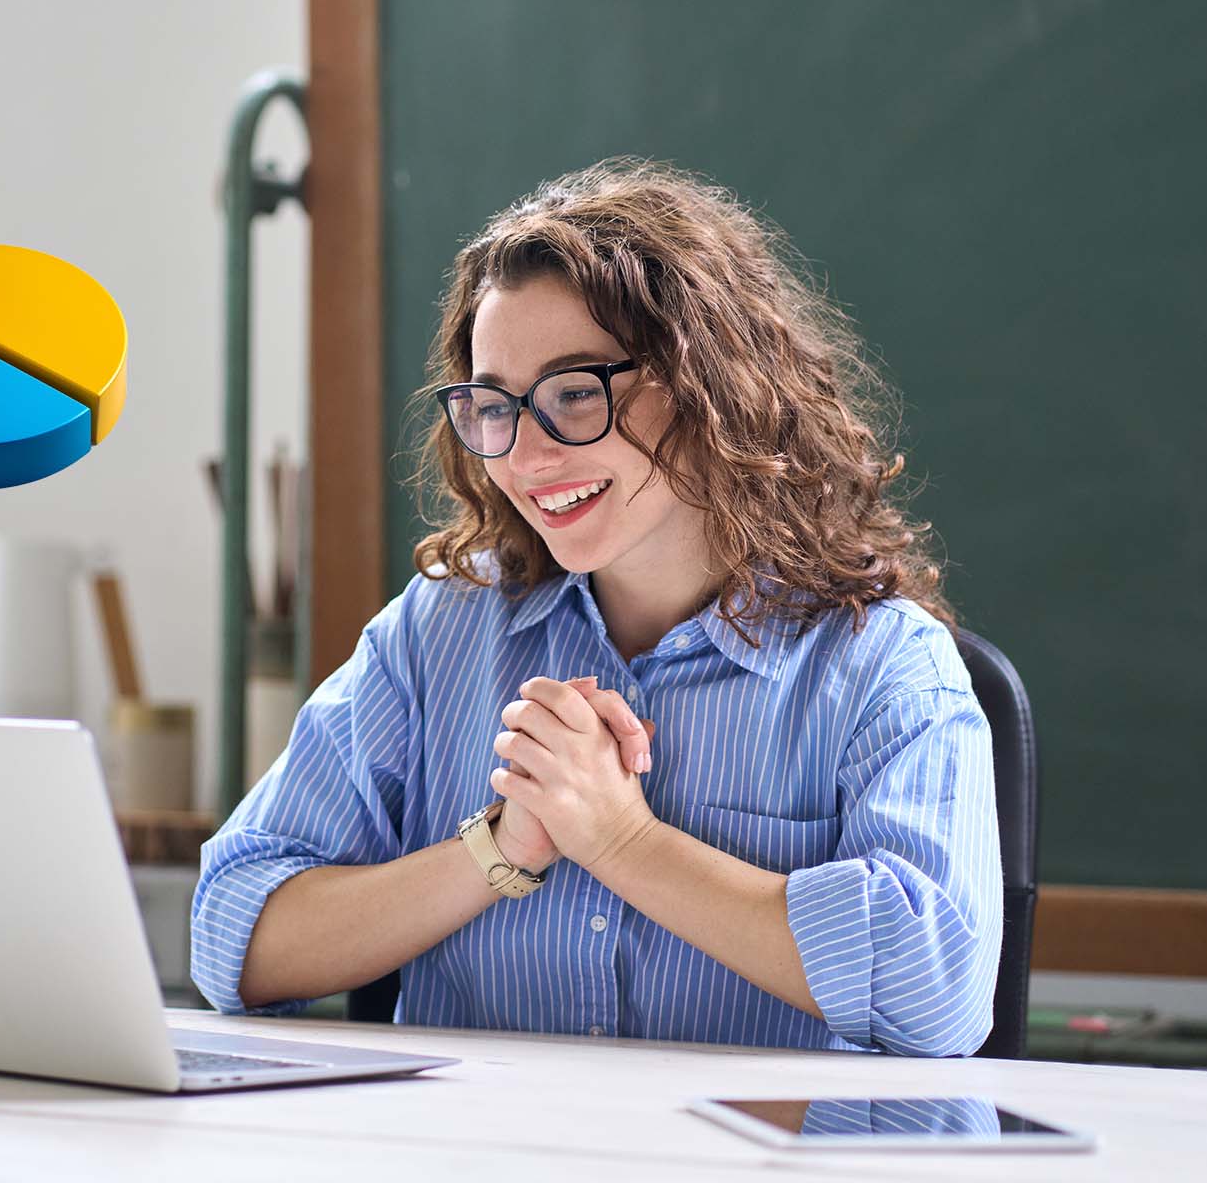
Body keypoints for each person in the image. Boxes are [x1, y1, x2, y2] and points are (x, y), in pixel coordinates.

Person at [190, 158, 1003, 1057]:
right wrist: (498, 852)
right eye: (493, 405)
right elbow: (231, 937)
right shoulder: (439, 633)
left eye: (576, 393)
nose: (529, 455)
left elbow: (939, 996)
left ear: (707, 385)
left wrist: (618, 840)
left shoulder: (886, 665)